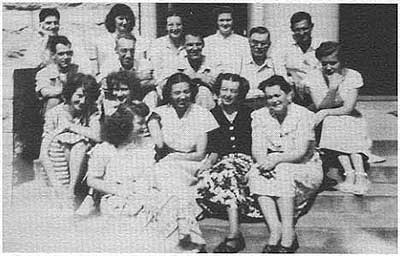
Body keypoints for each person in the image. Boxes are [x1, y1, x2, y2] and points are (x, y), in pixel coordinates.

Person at [248, 75, 323, 253]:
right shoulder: (259, 116)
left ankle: (288, 231)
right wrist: (263, 163)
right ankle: (275, 229)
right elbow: (257, 148)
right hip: (274, 164)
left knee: (283, 171)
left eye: (277, 95)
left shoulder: (304, 115)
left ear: (289, 95)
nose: (273, 100)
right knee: (255, 172)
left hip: (305, 166)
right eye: (269, 97)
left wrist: (275, 159)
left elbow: (300, 152)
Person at [148, 72, 219, 250]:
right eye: (177, 93)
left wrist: (174, 157)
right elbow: (157, 144)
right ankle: (188, 230)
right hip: (170, 166)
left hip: (191, 164)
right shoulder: (159, 114)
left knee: (166, 171)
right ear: (169, 95)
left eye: (186, 92)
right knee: (169, 179)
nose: (182, 97)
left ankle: (180, 232)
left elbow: (200, 154)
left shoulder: (201, 113)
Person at [195, 73, 255, 253]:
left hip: (245, 161)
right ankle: (234, 231)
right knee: (219, 173)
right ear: (218, 91)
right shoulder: (212, 115)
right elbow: (214, 147)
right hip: (221, 162)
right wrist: (209, 162)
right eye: (224, 90)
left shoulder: (249, 114)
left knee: (229, 172)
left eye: (233, 91)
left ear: (240, 93)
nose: (228, 94)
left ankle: (234, 234)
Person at [303, 42, 372, 195]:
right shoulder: (314, 76)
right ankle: (350, 173)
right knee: (332, 123)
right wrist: (333, 88)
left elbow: (348, 108)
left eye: (333, 63)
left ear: (342, 61)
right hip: (325, 122)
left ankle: (360, 174)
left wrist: (326, 112)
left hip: (348, 117)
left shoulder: (353, 75)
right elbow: (320, 106)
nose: (328, 67)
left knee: (345, 122)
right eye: (324, 63)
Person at [39, 73, 101, 211]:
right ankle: (65, 191)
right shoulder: (54, 114)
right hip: (58, 164)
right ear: (69, 93)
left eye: (87, 97)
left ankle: (71, 191)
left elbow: (98, 136)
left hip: (85, 164)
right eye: (79, 96)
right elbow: (43, 154)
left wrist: (71, 126)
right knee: (62, 142)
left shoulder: (91, 111)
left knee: (80, 144)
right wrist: (56, 184)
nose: (83, 101)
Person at [274, 11, 323, 107]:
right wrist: (292, 77)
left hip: (316, 90)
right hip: (291, 90)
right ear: (291, 29)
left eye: (305, 29)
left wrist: (302, 80)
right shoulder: (282, 45)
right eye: (297, 30)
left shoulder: (320, 44)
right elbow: (279, 71)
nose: (301, 33)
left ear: (311, 26)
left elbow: (322, 71)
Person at [98, 33, 158, 109]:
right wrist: (137, 77)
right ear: (116, 50)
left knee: (152, 94)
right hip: (117, 100)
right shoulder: (109, 65)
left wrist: (121, 82)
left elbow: (154, 82)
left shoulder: (143, 64)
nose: (128, 55)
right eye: (124, 51)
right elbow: (105, 85)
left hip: (139, 101)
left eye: (132, 50)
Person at [92, 4, 149, 78]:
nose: (125, 22)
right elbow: (97, 70)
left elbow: (143, 66)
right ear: (113, 20)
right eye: (121, 18)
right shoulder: (102, 42)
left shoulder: (140, 41)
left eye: (127, 19)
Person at [240, 26, 285, 109]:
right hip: (244, 107)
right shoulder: (239, 62)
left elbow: (283, 89)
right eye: (255, 42)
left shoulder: (275, 63)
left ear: (269, 44)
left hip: (269, 108)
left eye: (263, 43)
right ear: (249, 42)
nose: (259, 46)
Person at [35, 35, 80, 114]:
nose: (66, 57)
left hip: (75, 105)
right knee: (54, 100)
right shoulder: (45, 73)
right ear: (53, 55)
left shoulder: (77, 70)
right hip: (54, 108)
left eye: (69, 53)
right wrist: (66, 90)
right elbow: (45, 92)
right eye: (61, 54)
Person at [174, 30, 217, 110]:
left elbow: (217, 84)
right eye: (190, 45)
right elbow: (168, 85)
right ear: (184, 46)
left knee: (203, 92)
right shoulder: (177, 62)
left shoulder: (212, 62)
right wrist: (198, 77)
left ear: (203, 45)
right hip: (181, 105)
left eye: (198, 44)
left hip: (208, 106)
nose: (195, 48)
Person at [203, 6, 249, 75]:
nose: (225, 24)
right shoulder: (207, 42)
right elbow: (204, 66)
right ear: (216, 22)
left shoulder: (243, 42)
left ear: (233, 21)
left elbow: (246, 67)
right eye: (221, 20)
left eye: (228, 20)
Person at [148, 11, 186, 87]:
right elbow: (156, 72)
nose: (175, 28)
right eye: (170, 25)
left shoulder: (188, 43)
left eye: (178, 25)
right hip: (164, 86)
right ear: (166, 27)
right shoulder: (157, 44)